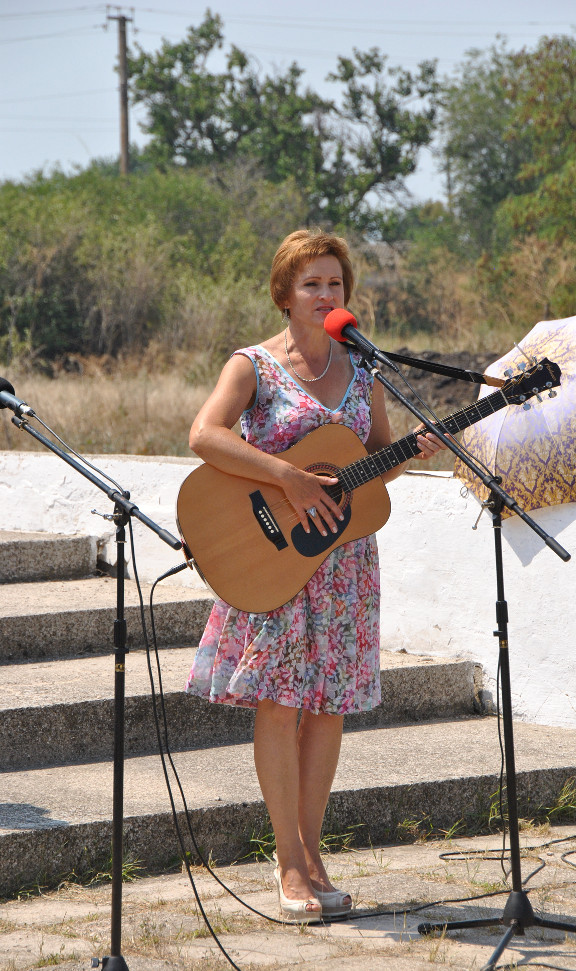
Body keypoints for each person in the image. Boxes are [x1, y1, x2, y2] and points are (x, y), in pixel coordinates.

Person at [185, 228, 444, 922]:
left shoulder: (365, 372)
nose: (326, 293)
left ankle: (313, 850)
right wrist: (288, 477)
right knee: (281, 701)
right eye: (312, 283)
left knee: (328, 704)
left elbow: (378, 456)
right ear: (285, 292)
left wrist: (411, 453)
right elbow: (203, 435)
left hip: (345, 563)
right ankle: (287, 861)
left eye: (335, 282)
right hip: (274, 554)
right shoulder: (254, 366)